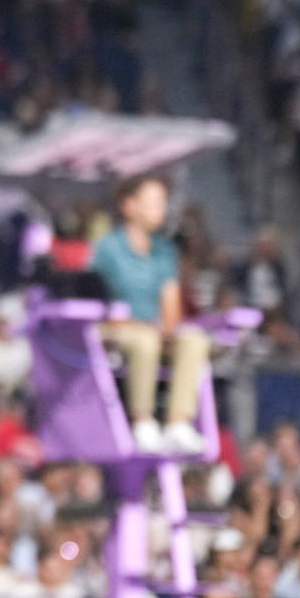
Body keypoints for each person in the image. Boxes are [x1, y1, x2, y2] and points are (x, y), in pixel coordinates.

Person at [91, 175, 213, 455]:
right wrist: (140, 326)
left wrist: (167, 328)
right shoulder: (108, 248)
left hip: (152, 329)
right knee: (144, 341)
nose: (161, 209)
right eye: (154, 202)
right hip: (114, 329)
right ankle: (142, 421)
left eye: (163, 202)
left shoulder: (164, 251)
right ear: (129, 206)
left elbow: (170, 303)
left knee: (194, 339)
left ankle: (177, 423)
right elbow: (92, 297)